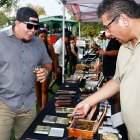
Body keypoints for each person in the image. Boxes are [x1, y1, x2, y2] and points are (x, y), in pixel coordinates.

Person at [74, 0, 140, 140]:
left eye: (108, 27)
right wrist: (89, 101)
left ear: (123, 19)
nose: (108, 34)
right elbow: (117, 81)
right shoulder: (124, 47)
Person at [0, 7, 52, 140]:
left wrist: (45, 71)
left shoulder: (39, 44)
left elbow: (48, 64)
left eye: (36, 27)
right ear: (17, 22)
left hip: (28, 104)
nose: (33, 30)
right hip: (3, 103)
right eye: (29, 26)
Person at [36, 28, 57, 110]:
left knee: (44, 90)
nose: (43, 38)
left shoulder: (49, 46)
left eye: (45, 36)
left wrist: (55, 71)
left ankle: (43, 109)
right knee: (38, 91)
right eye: (41, 36)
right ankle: (41, 106)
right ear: (38, 36)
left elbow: (54, 59)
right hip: (36, 70)